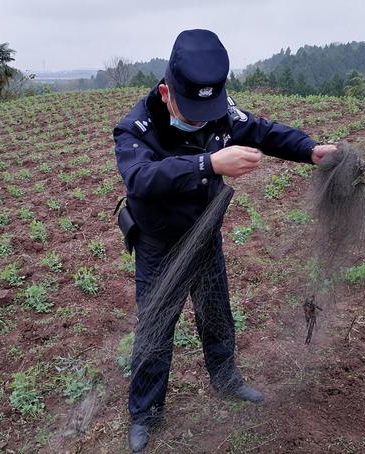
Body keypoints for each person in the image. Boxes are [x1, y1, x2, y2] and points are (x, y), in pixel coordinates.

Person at [113, 29, 336, 452]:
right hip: (159, 245)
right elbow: (141, 179)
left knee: (216, 314)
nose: (202, 118)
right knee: (155, 330)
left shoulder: (219, 111)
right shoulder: (136, 127)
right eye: (192, 109)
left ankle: (226, 378)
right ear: (166, 92)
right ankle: (145, 412)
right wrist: (209, 162)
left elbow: (262, 131)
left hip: (205, 233)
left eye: (208, 108)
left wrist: (309, 150)